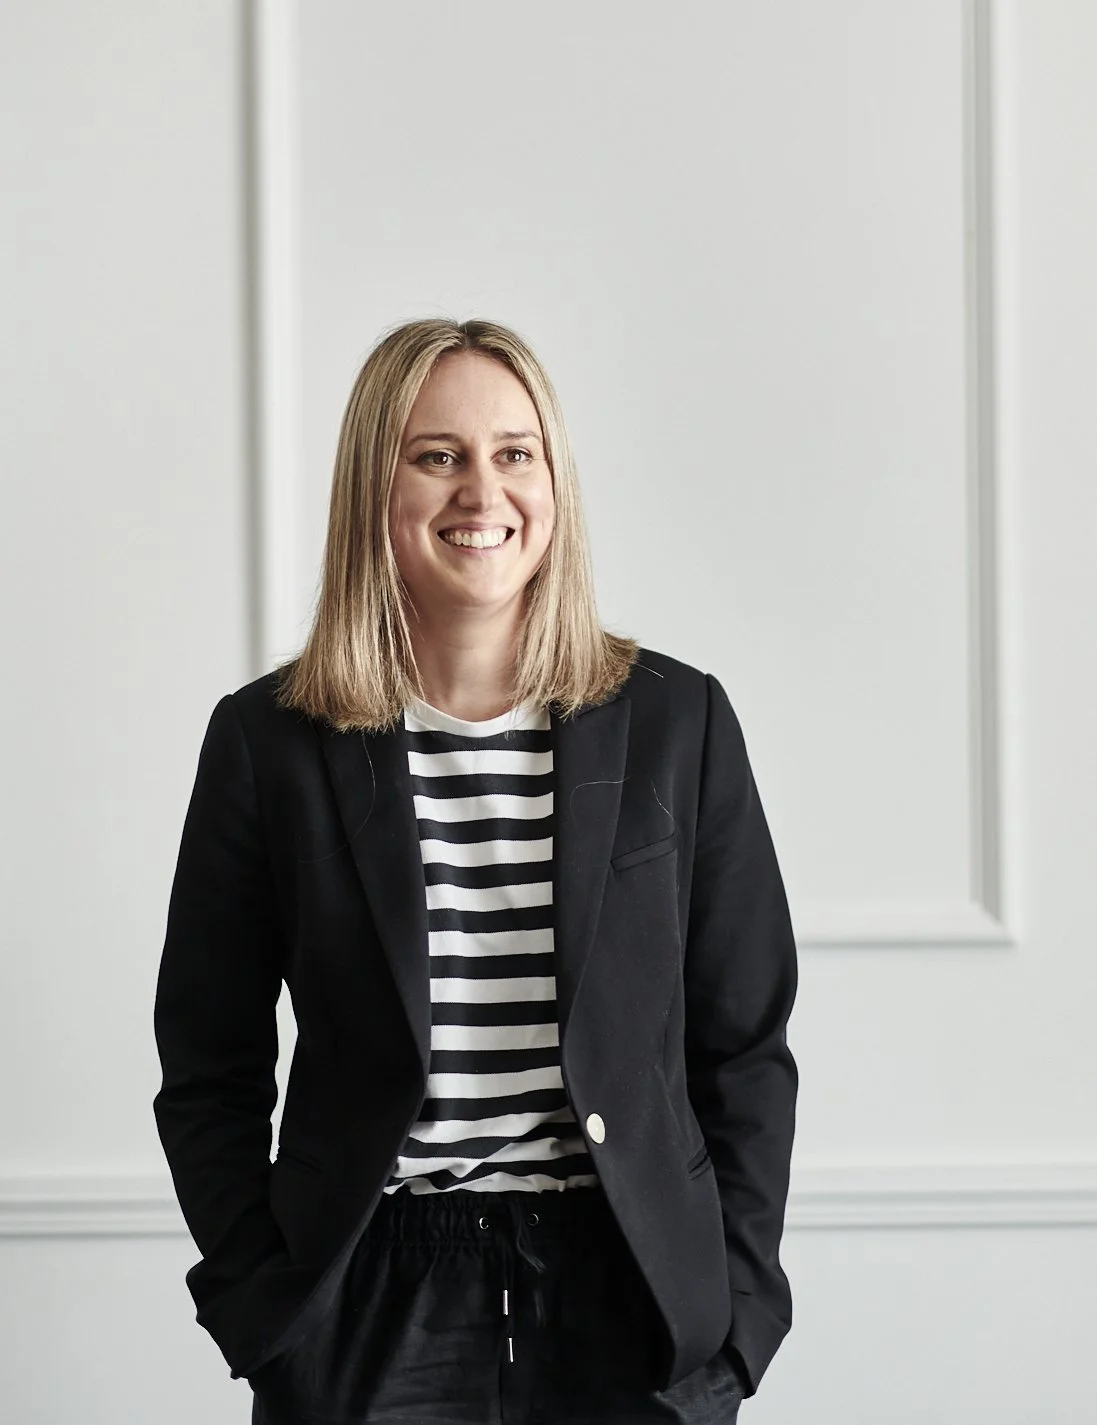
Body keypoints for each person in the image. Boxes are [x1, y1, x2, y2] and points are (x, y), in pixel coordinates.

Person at [153, 317, 799, 1424]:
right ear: (376, 484)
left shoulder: (675, 722)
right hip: (366, 1299)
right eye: (436, 454)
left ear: (552, 483)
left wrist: (733, 1325)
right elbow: (207, 1060)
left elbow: (742, 1043)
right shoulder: (268, 742)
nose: (480, 489)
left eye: (513, 452)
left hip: (628, 1288)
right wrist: (266, 1312)